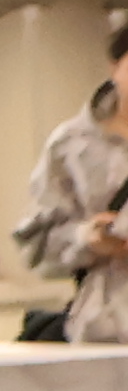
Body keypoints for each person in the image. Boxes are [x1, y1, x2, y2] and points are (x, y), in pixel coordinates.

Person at [11, 19, 128, 342]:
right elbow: (35, 246)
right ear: (115, 66)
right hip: (107, 334)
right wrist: (87, 238)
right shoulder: (72, 145)